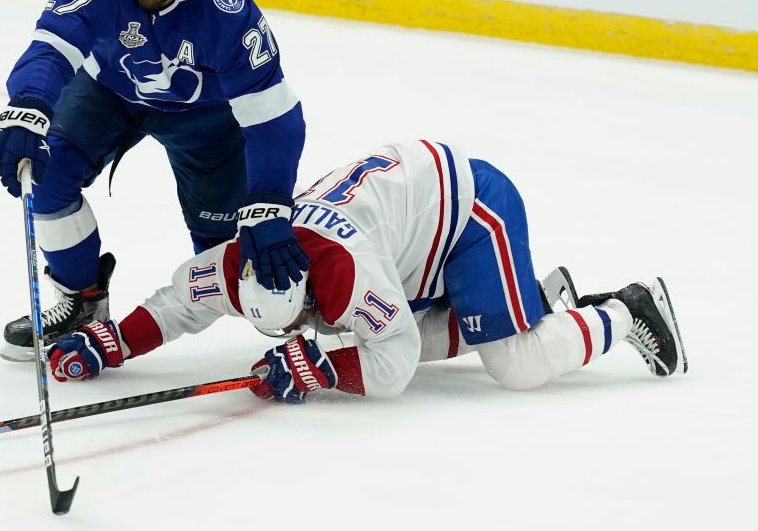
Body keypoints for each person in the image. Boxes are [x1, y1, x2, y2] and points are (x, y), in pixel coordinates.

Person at [44, 139, 688, 403]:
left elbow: (396, 360)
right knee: (363, 330)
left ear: (306, 287)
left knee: (515, 367)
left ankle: (627, 308)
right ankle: (539, 302)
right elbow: (179, 302)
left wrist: (322, 372)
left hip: (470, 209)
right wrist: (116, 341)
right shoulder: (247, 257)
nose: (305, 325)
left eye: (301, 316)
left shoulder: (344, 274)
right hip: (406, 229)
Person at [0, 0, 309, 361]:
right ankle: (83, 302)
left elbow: (274, 116)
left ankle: (313, 309)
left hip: (204, 117)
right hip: (107, 95)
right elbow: (52, 47)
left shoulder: (225, 8)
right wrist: (28, 104)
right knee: (47, 176)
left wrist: (270, 202)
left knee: (227, 251)